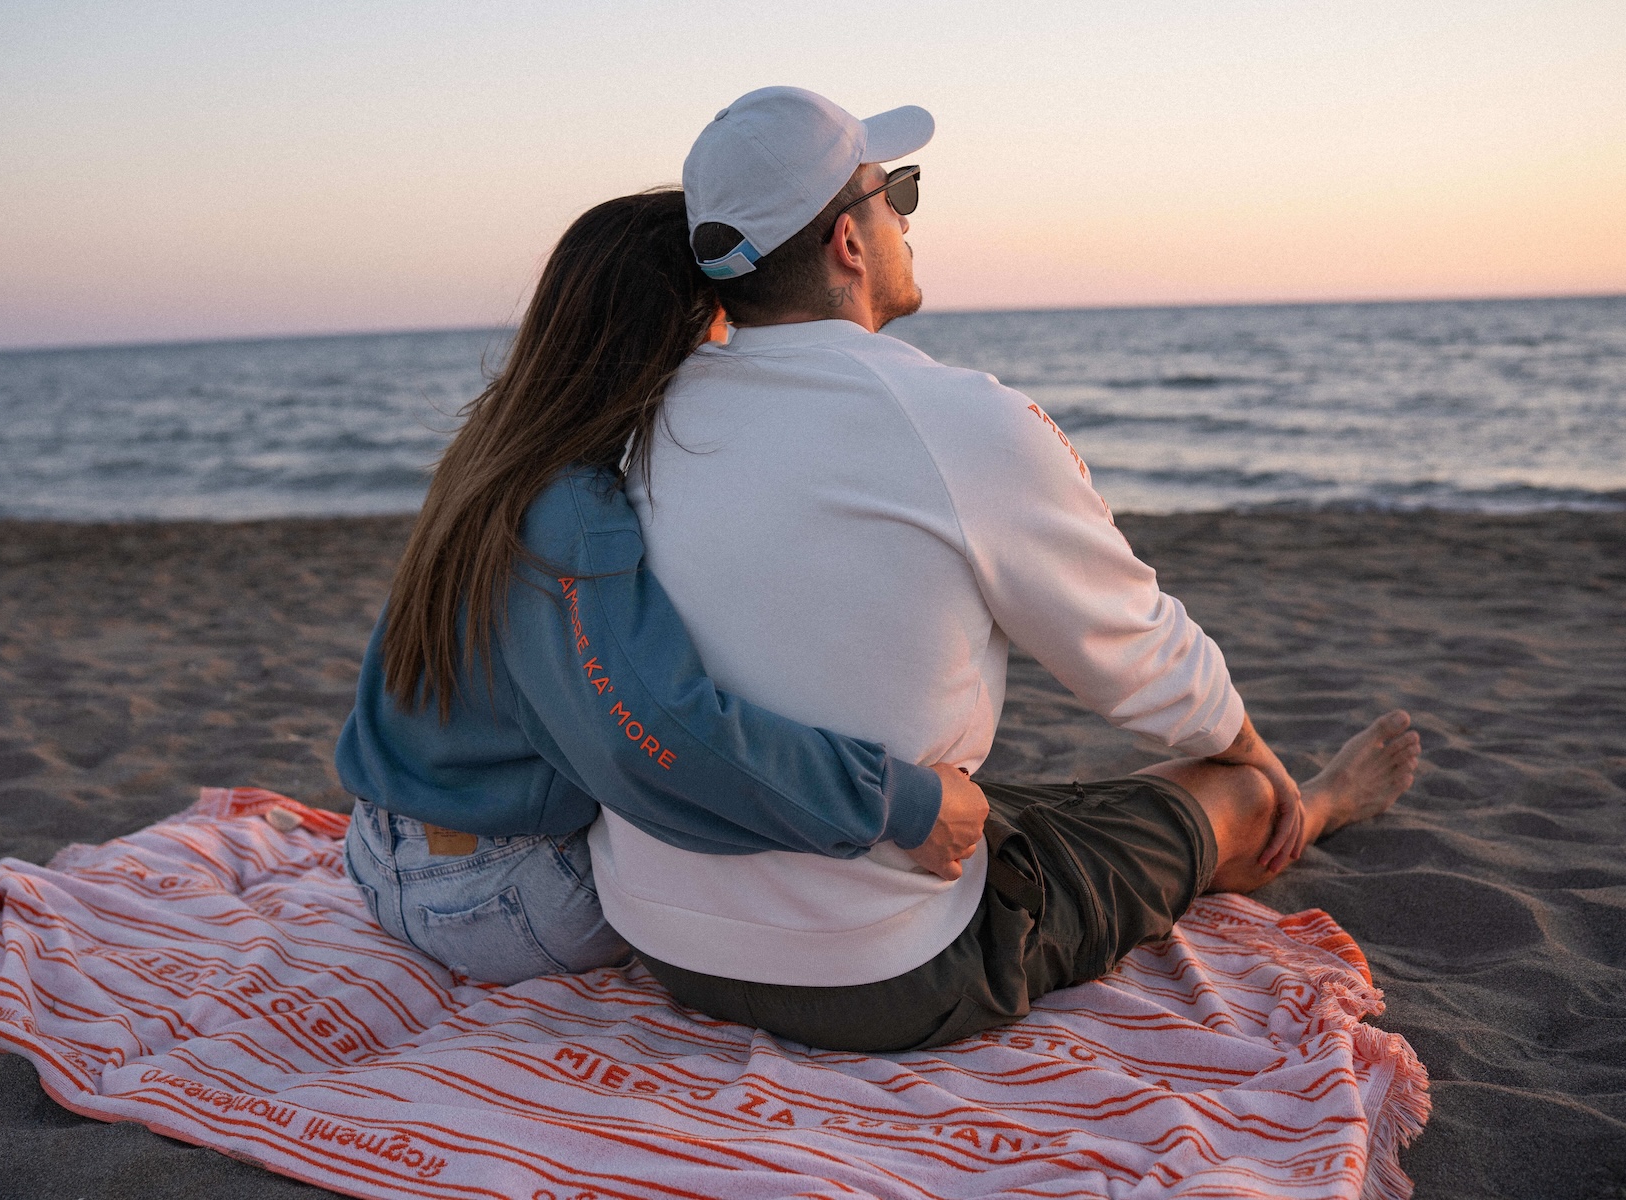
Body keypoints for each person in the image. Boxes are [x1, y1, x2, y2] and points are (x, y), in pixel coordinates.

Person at [590, 86, 1423, 1051]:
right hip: (877, 968)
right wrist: (1259, 762)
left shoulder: (647, 416)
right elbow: (1138, 655)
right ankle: (1309, 809)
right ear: (848, 244)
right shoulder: (954, 420)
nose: (905, 215)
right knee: (1226, 793)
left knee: (1017, 802)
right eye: (894, 191)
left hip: (666, 934)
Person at [334, 188, 990, 986]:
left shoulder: (498, 445)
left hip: (382, 851)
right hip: (501, 894)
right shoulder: (574, 506)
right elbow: (655, 735)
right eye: (732, 316)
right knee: (800, 878)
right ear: (683, 327)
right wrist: (901, 805)